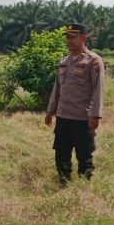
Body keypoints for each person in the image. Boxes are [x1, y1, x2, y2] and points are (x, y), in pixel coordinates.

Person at [44, 23, 104, 184]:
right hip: (63, 117)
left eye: (72, 37)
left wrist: (95, 115)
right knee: (61, 153)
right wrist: (50, 111)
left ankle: (84, 186)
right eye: (67, 37)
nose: (68, 40)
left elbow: (98, 89)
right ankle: (64, 182)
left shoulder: (93, 61)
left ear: (83, 38)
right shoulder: (64, 61)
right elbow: (57, 88)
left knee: (84, 154)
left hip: (82, 118)